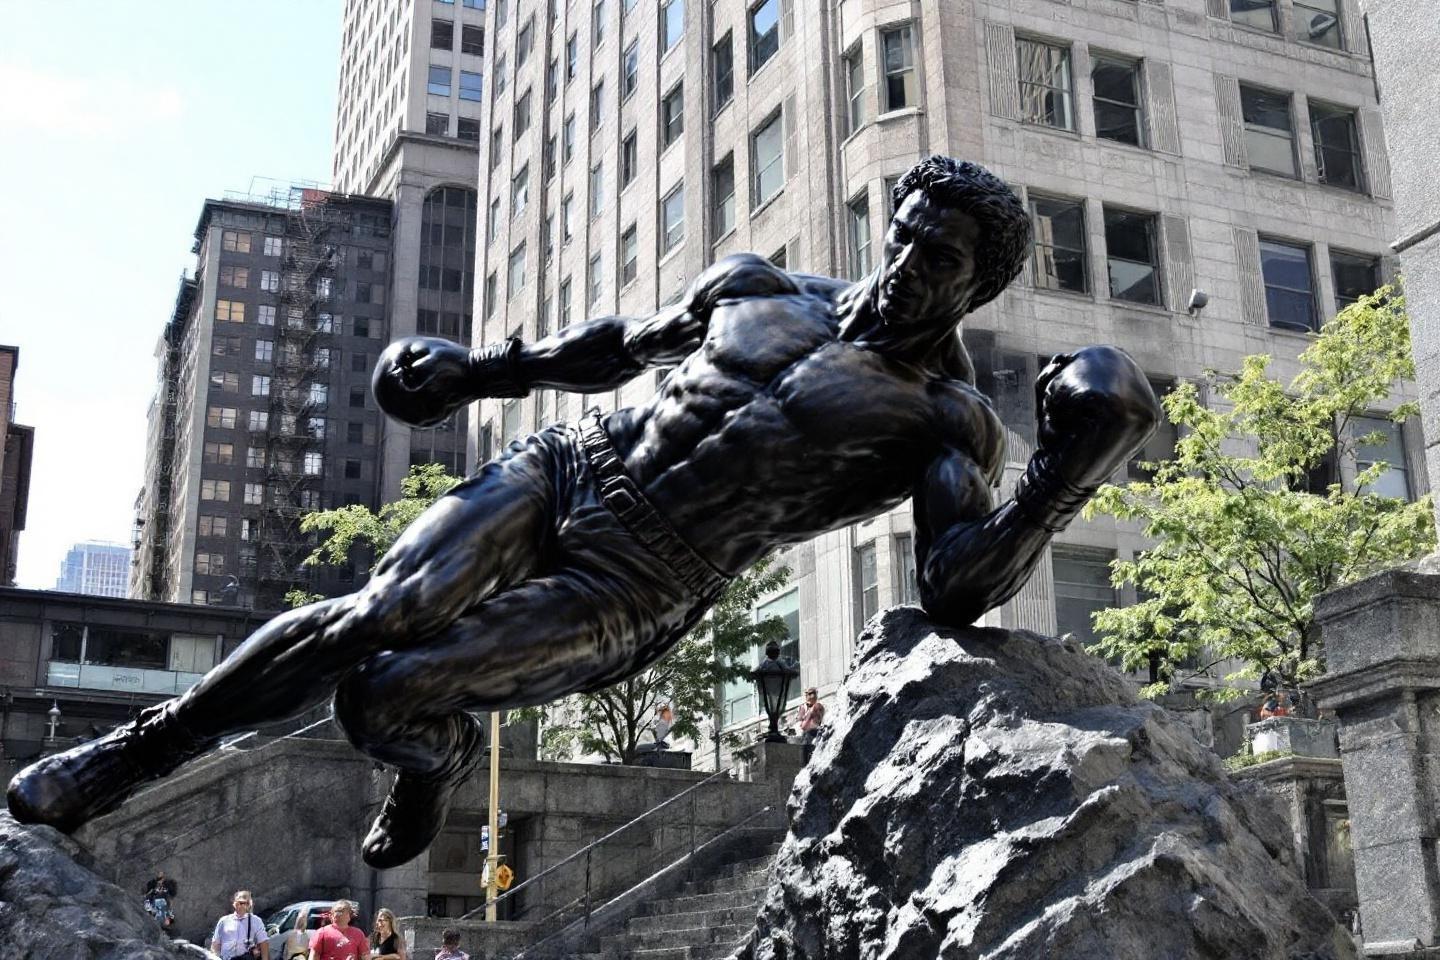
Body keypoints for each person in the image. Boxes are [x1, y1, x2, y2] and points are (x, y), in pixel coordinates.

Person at [8, 156, 1160, 871]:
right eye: (907, 230)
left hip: (644, 578)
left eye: (943, 256)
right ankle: (124, 760)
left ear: (979, 282)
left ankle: (430, 754)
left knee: (385, 692)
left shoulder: (948, 422)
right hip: (571, 465)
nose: (912, 261)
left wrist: (1064, 477)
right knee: (380, 609)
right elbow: (619, 348)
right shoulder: (760, 286)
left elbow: (957, 586)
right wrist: (476, 373)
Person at [211, 890, 269, 960]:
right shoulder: (223, 921)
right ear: (234, 904)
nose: (241, 905)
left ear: (248, 904)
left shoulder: (256, 921)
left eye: (244, 903)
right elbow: (216, 944)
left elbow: (263, 942)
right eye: (239, 902)